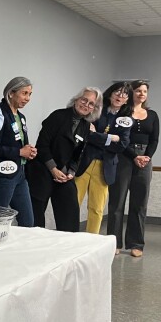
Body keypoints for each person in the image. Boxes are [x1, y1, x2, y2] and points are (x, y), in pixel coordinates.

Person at [28, 88, 101, 232]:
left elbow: (78, 155)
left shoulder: (86, 126)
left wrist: (71, 173)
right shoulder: (58, 116)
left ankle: (68, 248)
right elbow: (42, 145)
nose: (86, 105)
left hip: (64, 175)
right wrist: (53, 169)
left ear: (94, 109)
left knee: (70, 214)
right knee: (35, 220)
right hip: (43, 170)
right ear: (76, 100)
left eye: (91, 104)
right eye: (84, 100)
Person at [107, 80, 159, 257]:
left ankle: (136, 244)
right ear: (131, 93)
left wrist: (146, 156)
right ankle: (114, 242)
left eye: (144, 91)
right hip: (123, 157)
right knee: (117, 202)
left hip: (144, 160)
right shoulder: (122, 112)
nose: (141, 94)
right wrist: (133, 156)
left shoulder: (152, 115)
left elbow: (154, 140)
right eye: (138, 90)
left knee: (140, 203)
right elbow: (119, 137)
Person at [76, 82, 132, 235]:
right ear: (110, 94)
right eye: (117, 92)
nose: (120, 96)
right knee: (73, 203)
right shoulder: (97, 110)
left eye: (124, 94)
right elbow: (88, 134)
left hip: (105, 167)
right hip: (84, 162)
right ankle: (69, 238)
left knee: (96, 208)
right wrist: (111, 138)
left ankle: (91, 241)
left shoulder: (126, 120)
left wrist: (100, 137)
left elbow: (121, 145)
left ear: (127, 99)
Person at [0, 77, 36, 226]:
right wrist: (19, 152)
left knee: (28, 221)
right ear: (11, 93)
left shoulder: (21, 117)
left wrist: (30, 151)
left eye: (30, 94)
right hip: (4, 174)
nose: (27, 98)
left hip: (20, 174)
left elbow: (21, 145)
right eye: (24, 93)